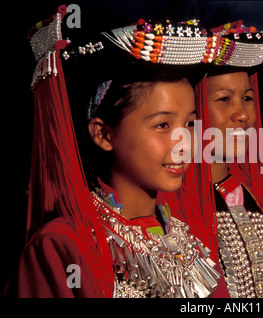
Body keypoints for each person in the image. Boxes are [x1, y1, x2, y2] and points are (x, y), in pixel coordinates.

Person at [5, 5, 222, 298]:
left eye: (190, 124)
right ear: (103, 134)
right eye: (162, 125)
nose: (184, 142)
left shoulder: (190, 241)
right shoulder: (63, 246)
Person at [159, 21, 263, 298]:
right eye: (224, 99)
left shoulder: (249, 189)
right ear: (192, 109)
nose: (242, 114)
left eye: (247, 97)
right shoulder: (166, 200)